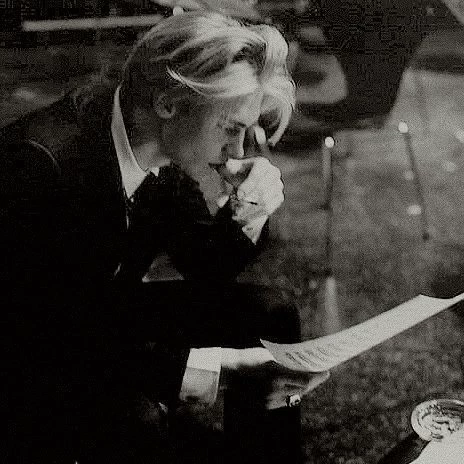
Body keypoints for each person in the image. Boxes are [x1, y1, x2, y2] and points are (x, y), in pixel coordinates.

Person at [1, 10, 329, 464]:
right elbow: (50, 339)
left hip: (94, 310)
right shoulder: (39, 165)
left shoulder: (160, 141)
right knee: (136, 419)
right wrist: (215, 371)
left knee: (268, 313)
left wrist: (248, 213)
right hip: (28, 353)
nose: (237, 151)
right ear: (169, 103)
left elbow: (204, 266)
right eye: (230, 128)